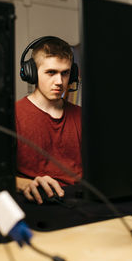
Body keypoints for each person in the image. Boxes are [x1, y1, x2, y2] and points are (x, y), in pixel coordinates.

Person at [15, 36, 82, 204]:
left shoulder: (82, 116)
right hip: (38, 202)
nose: (59, 82)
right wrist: (25, 184)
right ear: (31, 73)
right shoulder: (13, 115)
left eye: (65, 73)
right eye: (51, 72)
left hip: (81, 201)